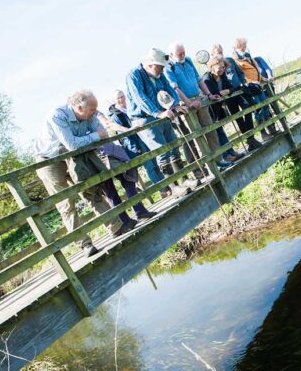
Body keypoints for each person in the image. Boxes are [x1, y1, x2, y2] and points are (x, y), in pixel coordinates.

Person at [33, 90, 137, 257]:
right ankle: (85, 245)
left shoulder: (88, 115)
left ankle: (116, 228)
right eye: (92, 109)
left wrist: (95, 134)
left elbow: (103, 133)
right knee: (66, 204)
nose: (96, 112)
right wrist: (94, 135)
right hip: (49, 161)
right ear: (79, 108)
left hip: (71, 156)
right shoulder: (57, 116)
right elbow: (73, 143)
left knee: (92, 190)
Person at [125, 48, 192, 197]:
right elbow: (140, 98)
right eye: (159, 66)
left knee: (174, 145)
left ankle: (184, 180)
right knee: (162, 151)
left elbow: (168, 89)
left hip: (164, 113)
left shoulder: (159, 74)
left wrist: (175, 104)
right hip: (146, 117)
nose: (162, 69)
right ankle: (173, 187)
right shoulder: (134, 75)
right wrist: (158, 112)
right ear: (149, 64)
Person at [164, 42, 232, 173]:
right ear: (172, 55)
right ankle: (210, 167)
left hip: (199, 99)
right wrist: (189, 103)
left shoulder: (188, 60)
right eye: (179, 54)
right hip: (187, 105)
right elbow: (175, 88)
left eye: (184, 52)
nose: (183, 55)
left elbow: (198, 79)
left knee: (211, 130)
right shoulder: (169, 68)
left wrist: (209, 94)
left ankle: (219, 160)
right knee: (198, 137)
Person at [107, 90, 172, 198]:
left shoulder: (130, 108)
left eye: (122, 96)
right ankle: (163, 189)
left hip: (144, 138)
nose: (121, 99)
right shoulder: (116, 115)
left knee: (155, 163)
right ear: (114, 101)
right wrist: (134, 148)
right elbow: (124, 135)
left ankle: (167, 186)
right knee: (149, 166)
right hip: (135, 143)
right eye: (118, 98)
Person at [202, 55, 262, 152]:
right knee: (219, 130)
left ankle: (250, 140)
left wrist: (228, 91)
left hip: (224, 101)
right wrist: (224, 92)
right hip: (212, 109)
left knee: (246, 109)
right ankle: (228, 153)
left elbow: (233, 87)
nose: (221, 69)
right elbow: (215, 93)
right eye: (219, 67)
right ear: (212, 67)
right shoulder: (207, 79)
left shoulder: (222, 75)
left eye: (223, 67)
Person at [232, 38, 279, 141]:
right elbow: (241, 75)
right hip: (251, 87)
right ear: (237, 48)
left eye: (244, 46)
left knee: (265, 105)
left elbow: (256, 69)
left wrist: (263, 78)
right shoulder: (236, 61)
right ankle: (263, 133)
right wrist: (246, 84)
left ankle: (271, 128)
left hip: (259, 85)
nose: (244, 49)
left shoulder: (248, 57)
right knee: (258, 109)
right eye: (242, 47)